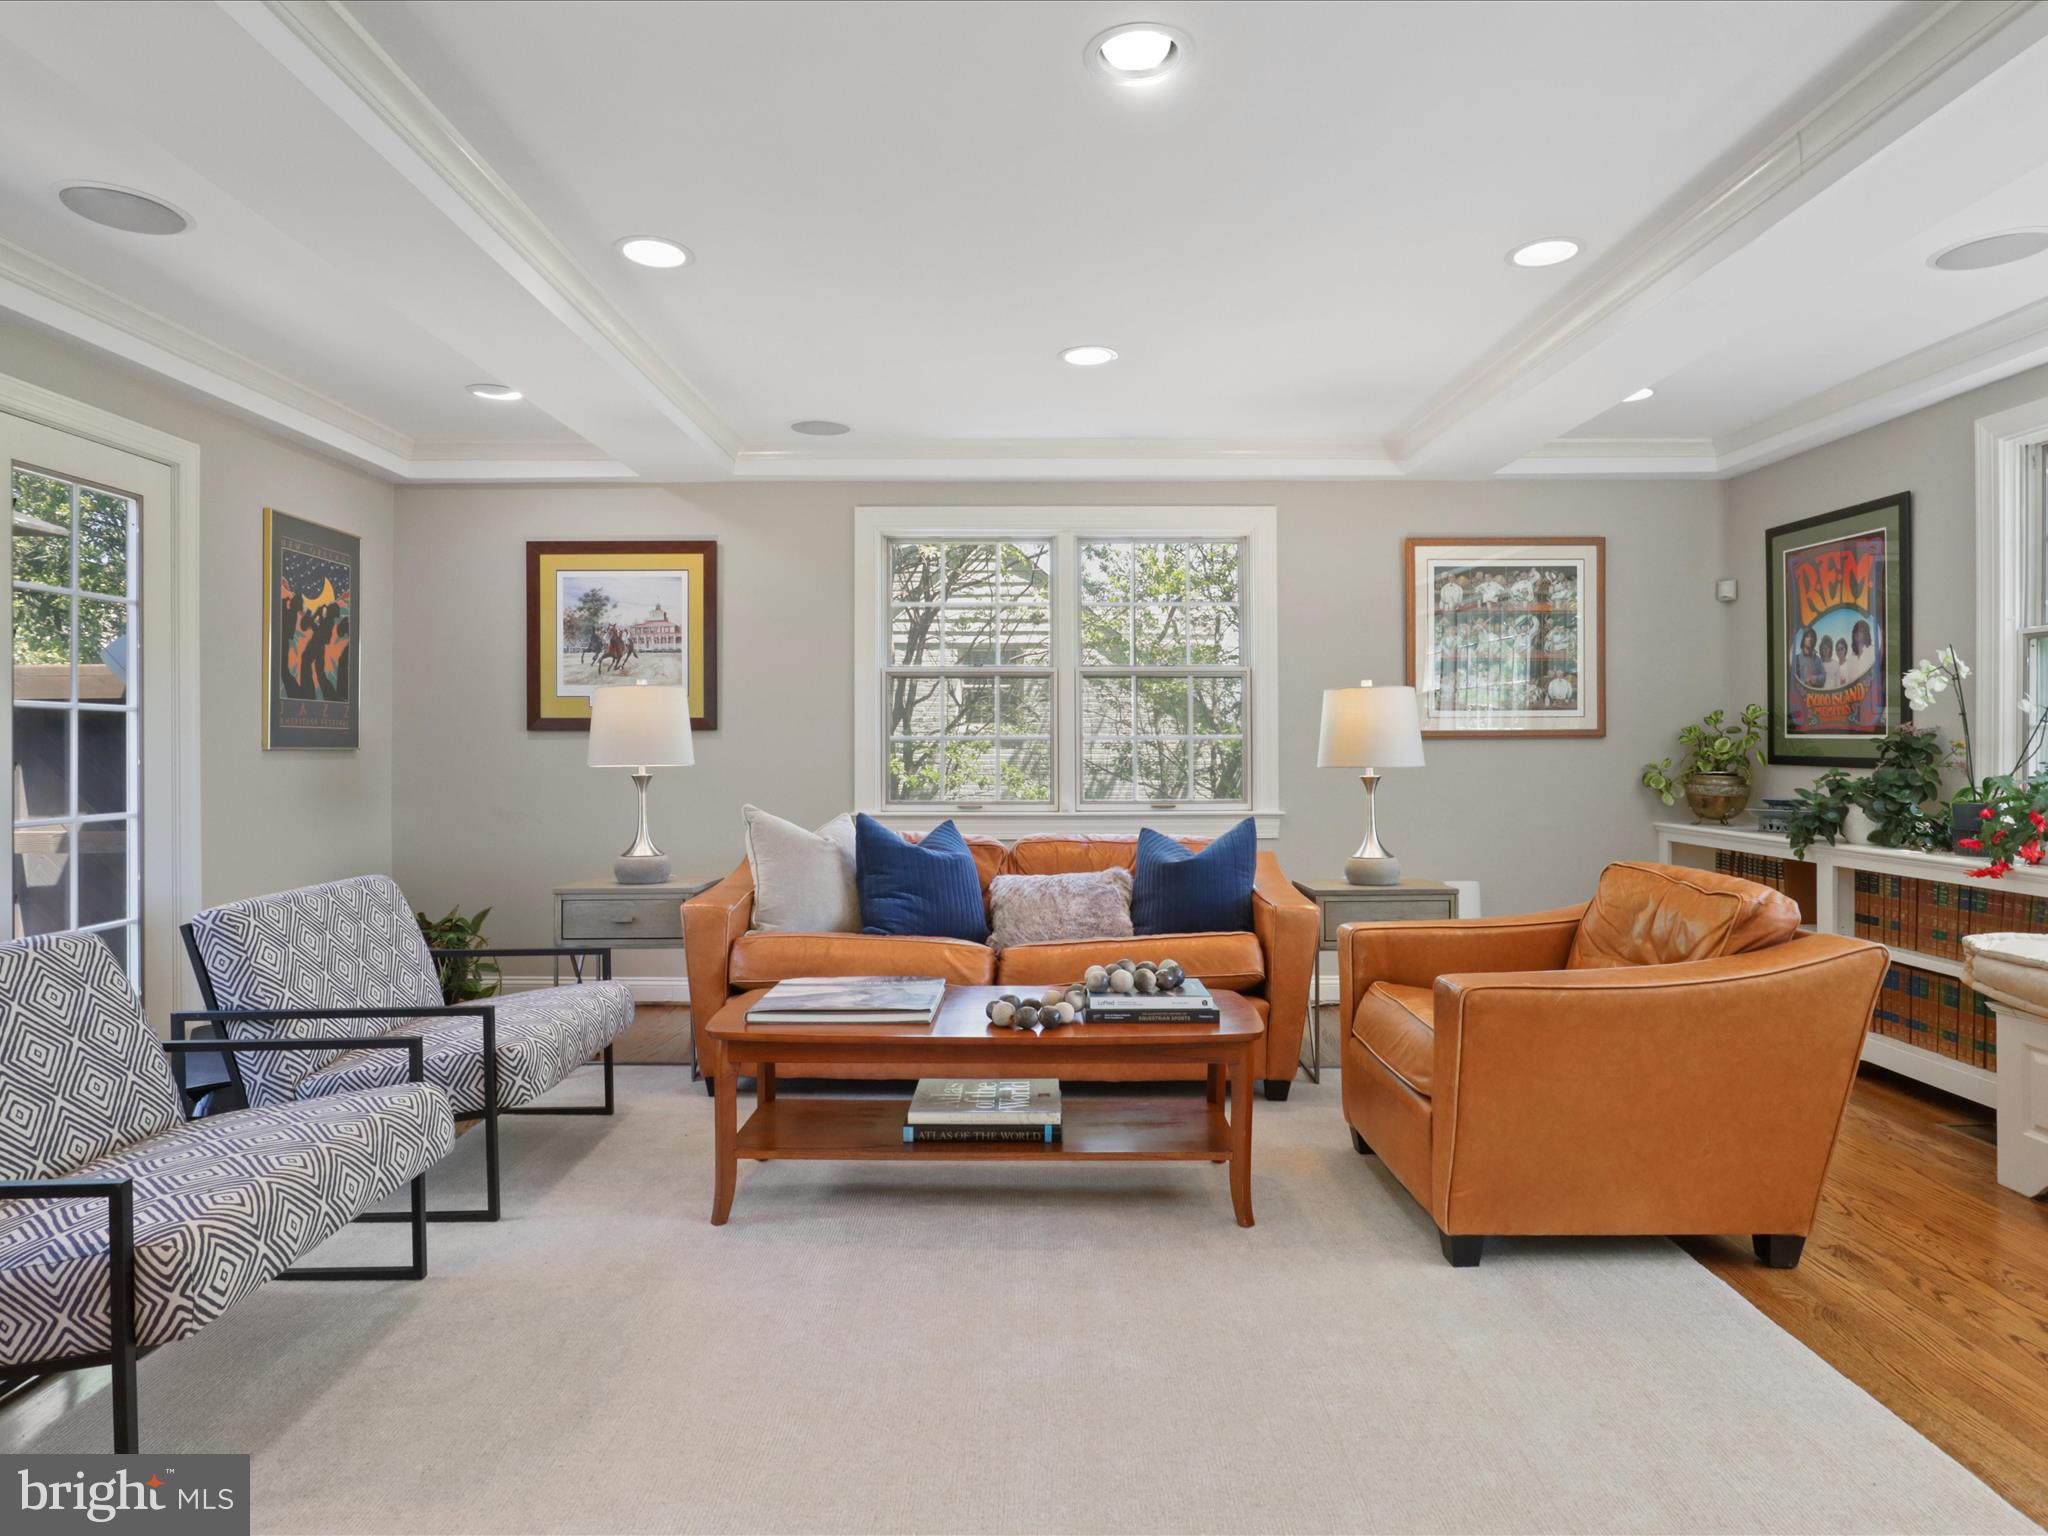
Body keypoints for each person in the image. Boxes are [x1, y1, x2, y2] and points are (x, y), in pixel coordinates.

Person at [1839, 619, 1876, 686]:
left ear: (1866, 634)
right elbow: (1849, 679)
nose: (1857, 633)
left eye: (1861, 631)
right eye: (1855, 631)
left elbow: (1876, 673)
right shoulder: (1851, 657)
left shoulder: (1872, 650)